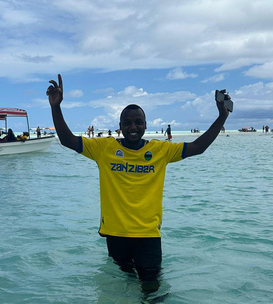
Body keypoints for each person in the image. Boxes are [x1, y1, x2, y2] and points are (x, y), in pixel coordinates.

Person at [47, 74, 230, 293]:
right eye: (127, 122)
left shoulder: (160, 150)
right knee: (122, 286)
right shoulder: (103, 149)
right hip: (115, 234)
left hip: (148, 235)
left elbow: (198, 147)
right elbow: (67, 140)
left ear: (146, 125)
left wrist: (222, 117)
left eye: (138, 122)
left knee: (152, 288)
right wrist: (56, 107)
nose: (133, 126)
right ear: (120, 126)